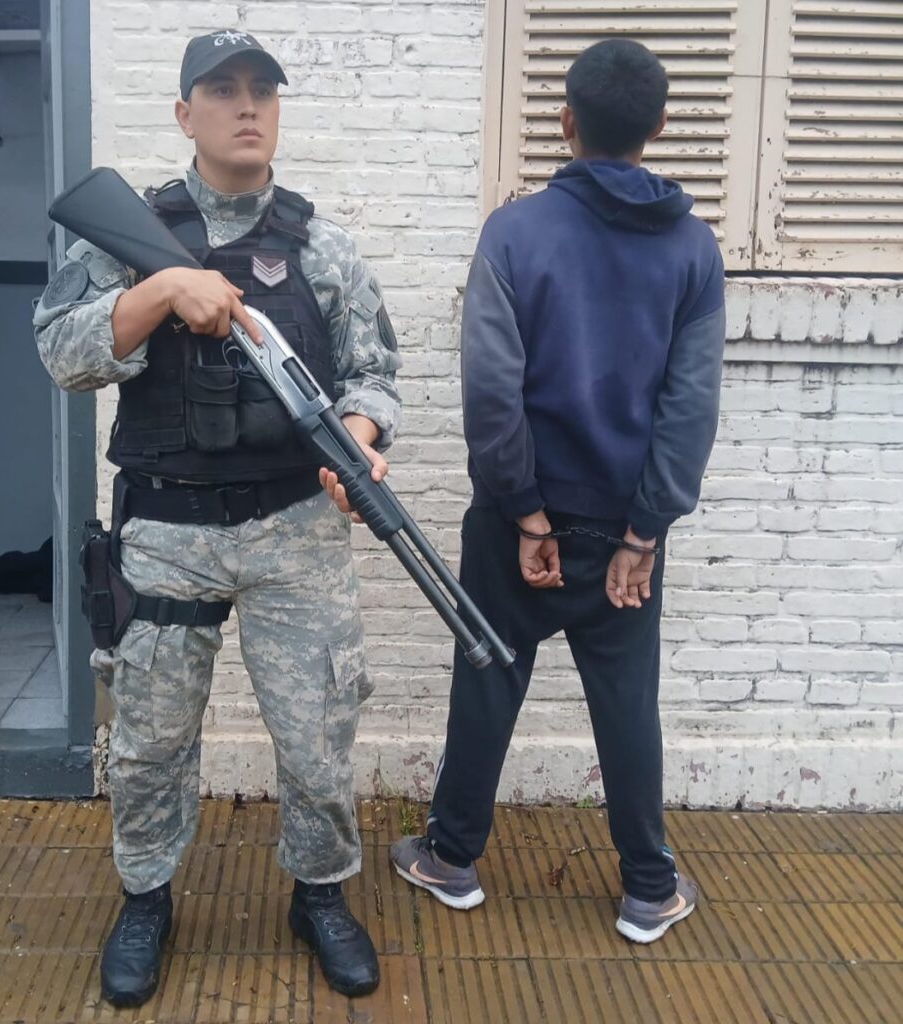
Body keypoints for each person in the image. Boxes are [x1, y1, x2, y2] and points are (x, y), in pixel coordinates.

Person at [34, 30, 401, 1005]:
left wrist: (359, 436)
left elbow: (372, 372)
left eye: (262, 92)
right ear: (183, 113)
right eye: (223, 90)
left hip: (297, 528)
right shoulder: (125, 234)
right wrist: (161, 290)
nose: (247, 107)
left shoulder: (323, 245)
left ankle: (320, 894)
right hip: (167, 530)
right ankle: (145, 896)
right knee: (151, 738)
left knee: (318, 731)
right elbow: (63, 354)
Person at [388, 38, 726, 944]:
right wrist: (643, 534)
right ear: (659, 126)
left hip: (517, 522)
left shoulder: (514, 232)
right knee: (626, 703)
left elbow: (491, 390)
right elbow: (689, 407)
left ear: (565, 121)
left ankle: (450, 858)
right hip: (624, 526)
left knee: (487, 682)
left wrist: (525, 511)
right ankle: (647, 888)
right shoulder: (693, 249)